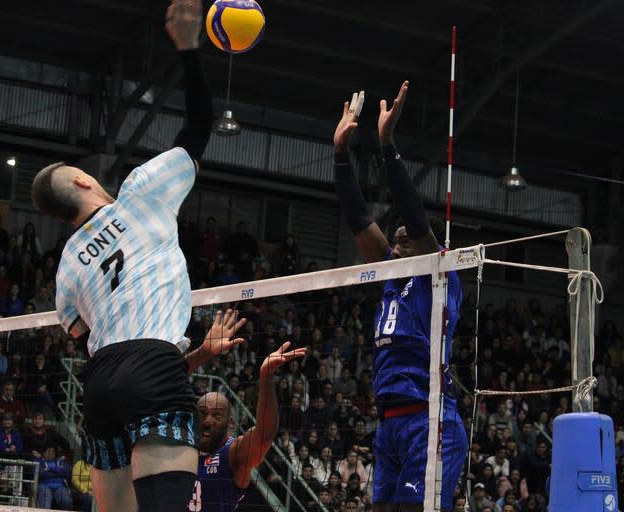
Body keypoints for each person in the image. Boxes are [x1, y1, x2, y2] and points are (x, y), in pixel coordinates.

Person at [29, 1, 213, 510]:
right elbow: (199, 126)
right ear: (86, 181)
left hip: (100, 380)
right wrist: (190, 48)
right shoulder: (139, 194)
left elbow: (78, 334)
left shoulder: (66, 265)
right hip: (153, 362)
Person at [333, 82, 467, 512]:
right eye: (398, 235)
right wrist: (340, 154)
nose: (401, 233)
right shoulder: (392, 272)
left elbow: (412, 212)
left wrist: (387, 144)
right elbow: (357, 216)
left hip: (430, 419)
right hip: (389, 422)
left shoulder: (437, 271)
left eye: (411, 233)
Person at [190, 339, 307, 511]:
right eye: (202, 413)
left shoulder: (233, 453)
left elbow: (264, 434)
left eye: (217, 415)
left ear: (229, 423)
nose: (207, 421)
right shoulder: (182, 447)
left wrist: (266, 376)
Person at [36, 445, 73, 510]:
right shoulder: (40, 461)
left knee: (66, 501)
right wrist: (58, 472)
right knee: (45, 504)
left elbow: (67, 471)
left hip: (59, 486)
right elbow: (41, 474)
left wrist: (49, 469)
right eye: (48, 451)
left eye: (53, 452)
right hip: (45, 485)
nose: (50, 453)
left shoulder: (60, 461)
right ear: (44, 453)